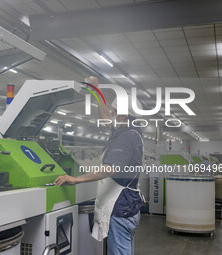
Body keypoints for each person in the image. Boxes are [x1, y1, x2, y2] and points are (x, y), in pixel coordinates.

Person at [54, 76, 144, 255]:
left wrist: (75, 179)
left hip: (120, 209)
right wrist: (96, 90)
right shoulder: (128, 131)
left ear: (123, 115)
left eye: (114, 111)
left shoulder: (125, 138)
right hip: (128, 207)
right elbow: (104, 115)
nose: (110, 113)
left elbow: (108, 170)